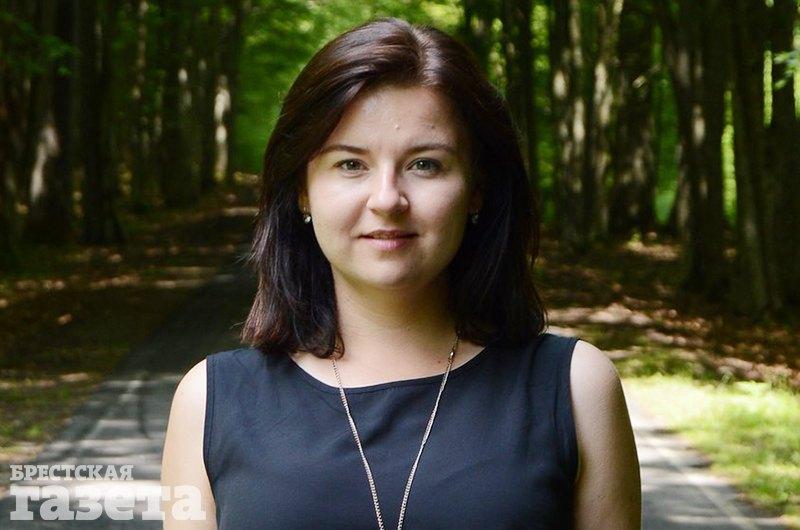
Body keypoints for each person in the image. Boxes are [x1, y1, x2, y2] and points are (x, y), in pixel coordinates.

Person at [161, 16, 641, 530]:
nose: (387, 199)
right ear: (302, 191)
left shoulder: (575, 390)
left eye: (425, 164)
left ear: (476, 190)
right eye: (350, 164)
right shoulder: (208, 402)